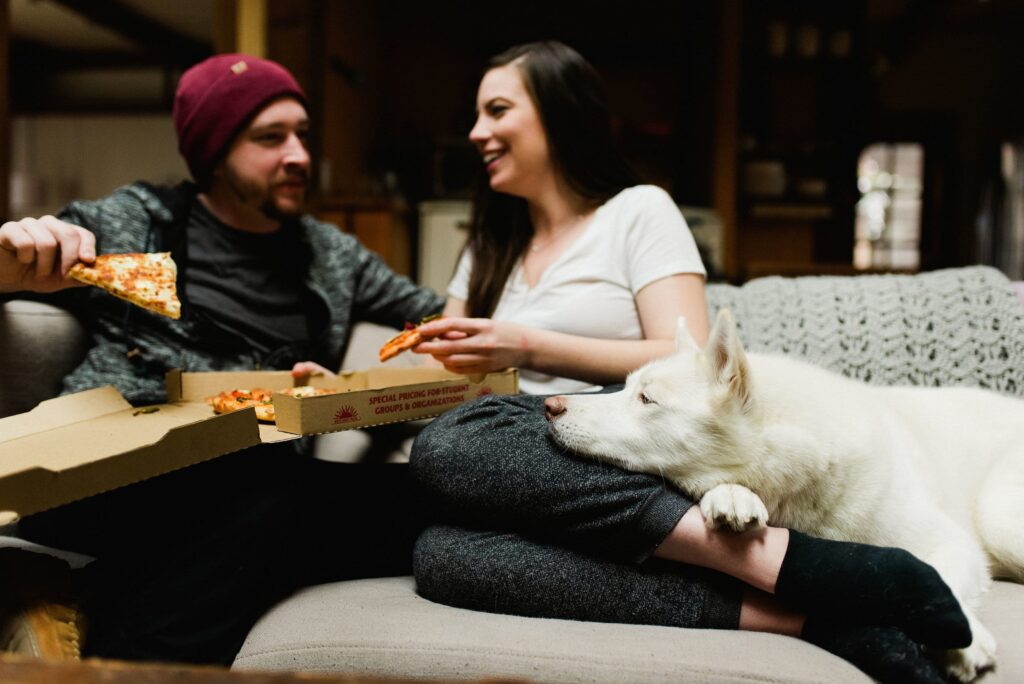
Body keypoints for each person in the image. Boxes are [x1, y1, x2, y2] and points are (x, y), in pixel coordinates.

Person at [407, 42, 964, 684]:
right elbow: (452, 382)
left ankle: (782, 558)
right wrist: (353, 395)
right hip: (515, 466)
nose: (477, 132)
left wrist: (529, 346)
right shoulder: (488, 244)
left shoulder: (638, 212)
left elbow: (689, 359)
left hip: (622, 453)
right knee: (440, 556)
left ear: (561, 114)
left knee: (446, 447)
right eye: (476, 115)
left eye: (497, 110)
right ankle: (816, 613)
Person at [0, 54, 443, 665]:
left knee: (415, 493)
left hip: (252, 484)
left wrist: (348, 389)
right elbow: (20, 263)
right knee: (278, 489)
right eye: (270, 138)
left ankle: (80, 600)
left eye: (302, 136)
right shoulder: (137, 222)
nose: (299, 156)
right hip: (106, 472)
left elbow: (439, 320)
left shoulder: (329, 253)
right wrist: (13, 254)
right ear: (213, 151)